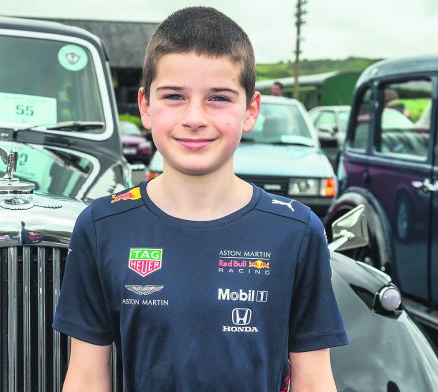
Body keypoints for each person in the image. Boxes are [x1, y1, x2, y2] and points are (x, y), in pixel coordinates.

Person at [53, 6, 348, 391]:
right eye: (174, 96)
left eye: (219, 98)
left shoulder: (296, 230)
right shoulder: (101, 226)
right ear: (145, 106)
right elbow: (87, 377)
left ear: (250, 110)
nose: (195, 117)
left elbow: (313, 380)